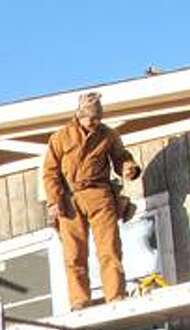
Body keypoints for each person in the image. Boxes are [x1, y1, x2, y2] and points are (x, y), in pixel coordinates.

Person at [43, 91, 142, 310]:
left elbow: (120, 157)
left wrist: (128, 167)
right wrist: (53, 201)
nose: (93, 122)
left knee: (109, 249)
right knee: (74, 253)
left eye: (97, 117)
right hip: (70, 198)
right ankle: (79, 300)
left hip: (100, 194)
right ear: (79, 115)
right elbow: (50, 172)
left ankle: (115, 295)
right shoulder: (60, 138)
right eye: (89, 117)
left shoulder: (108, 135)